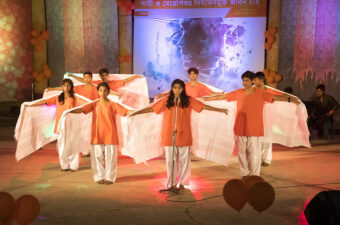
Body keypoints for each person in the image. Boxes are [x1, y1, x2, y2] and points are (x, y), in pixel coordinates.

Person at [131, 79, 228, 190]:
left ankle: (182, 182)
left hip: (184, 134)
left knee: (184, 161)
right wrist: (136, 113)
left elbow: (203, 107)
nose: (177, 90)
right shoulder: (167, 101)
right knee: (170, 161)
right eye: (175, 88)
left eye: (180, 88)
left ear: (183, 89)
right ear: (172, 89)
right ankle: (171, 183)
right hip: (169, 135)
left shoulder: (188, 100)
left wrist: (220, 110)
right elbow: (152, 109)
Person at [202, 71, 299, 179]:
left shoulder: (260, 92)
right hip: (240, 126)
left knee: (254, 153)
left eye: (247, 80)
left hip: (255, 128)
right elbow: (222, 97)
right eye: (243, 80)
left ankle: (254, 175)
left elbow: (275, 97)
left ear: (252, 81)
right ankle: (244, 173)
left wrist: (290, 99)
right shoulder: (239, 92)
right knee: (241, 153)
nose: (244, 83)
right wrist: (205, 99)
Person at [70, 82, 133, 185]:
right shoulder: (94, 104)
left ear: (108, 92)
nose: (103, 92)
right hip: (97, 134)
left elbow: (126, 112)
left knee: (111, 157)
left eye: (105, 90)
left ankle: (110, 178)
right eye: (101, 90)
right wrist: (68, 112)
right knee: (97, 156)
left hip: (110, 133)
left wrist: (138, 112)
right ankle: (99, 176)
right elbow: (82, 109)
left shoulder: (113, 104)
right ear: (98, 92)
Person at [29, 79, 87, 172]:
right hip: (60, 125)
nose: (67, 88)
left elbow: (85, 107)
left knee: (73, 145)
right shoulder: (57, 98)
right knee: (61, 145)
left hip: (72, 125)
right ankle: (64, 166)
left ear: (71, 87)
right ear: (62, 87)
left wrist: (74, 111)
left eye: (69, 86)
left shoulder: (75, 98)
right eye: (65, 86)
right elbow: (44, 101)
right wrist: (30, 104)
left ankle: (73, 166)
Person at [252, 72, 299, 166]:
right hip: (255, 117)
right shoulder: (252, 90)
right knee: (255, 140)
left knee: (267, 140)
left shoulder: (269, 90)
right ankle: (255, 159)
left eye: (255, 79)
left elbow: (280, 95)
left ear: (261, 80)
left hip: (268, 118)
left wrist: (292, 99)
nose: (253, 81)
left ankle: (266, 159)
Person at [155, 67, 224, 99]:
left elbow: (209, 93)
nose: (193, 75)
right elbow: (173, 91)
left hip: (195, 105)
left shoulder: (201, 86)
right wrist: (162, 94)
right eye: (191, 74)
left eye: (194, 74)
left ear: (197, 75)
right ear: (189, 75)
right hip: (185, 105)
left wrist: (220, 93)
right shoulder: (185, 85)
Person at [68, 68, 141, 96]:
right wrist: (72, 75)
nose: (103, 77)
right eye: (102, 75)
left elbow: (124, 80)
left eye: (105, 75)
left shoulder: (112, 83)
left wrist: (135, 76)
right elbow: (84, 80)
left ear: (107, 75)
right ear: (100, 76)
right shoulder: (97, 83)